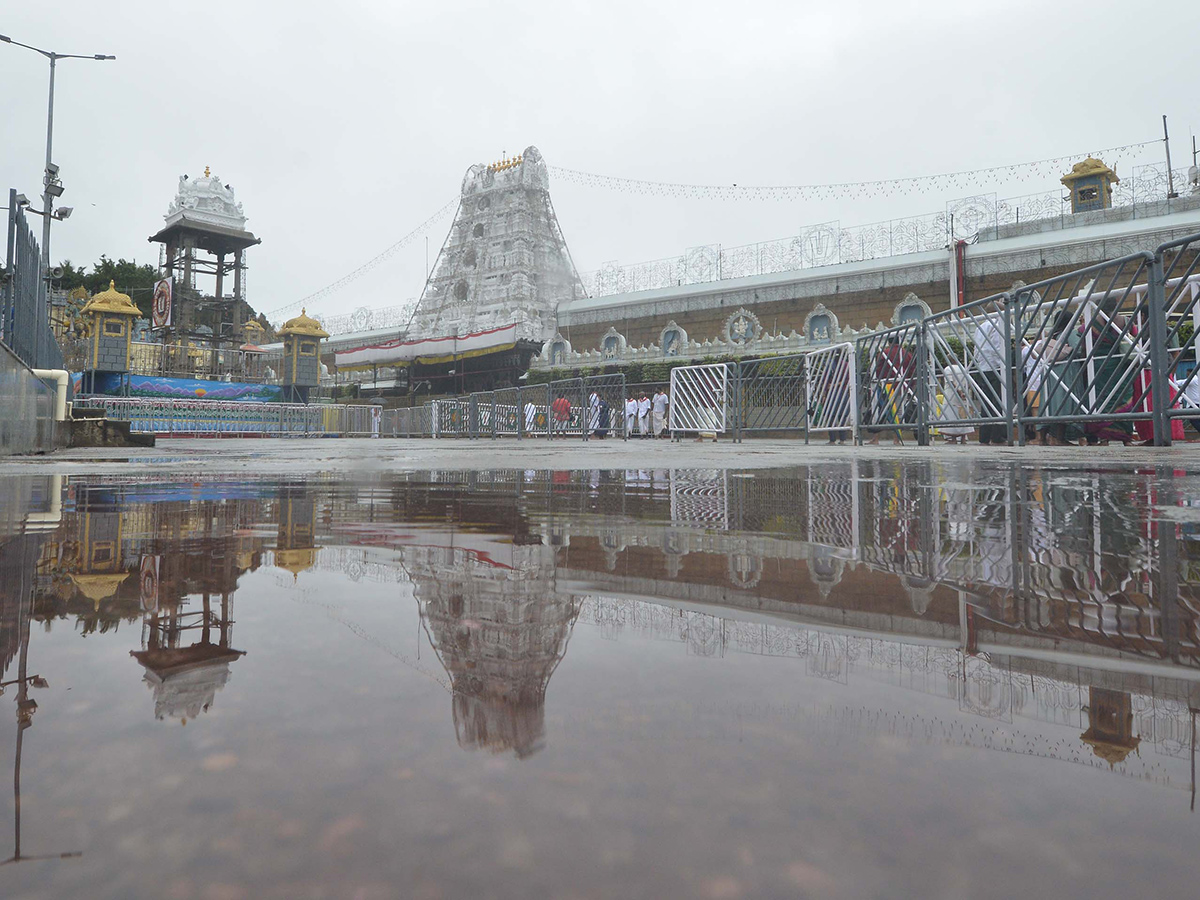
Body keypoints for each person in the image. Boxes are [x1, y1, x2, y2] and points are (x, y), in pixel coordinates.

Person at [973, 303, 1008, 445]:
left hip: (983, 367)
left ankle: (984, 436)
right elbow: (997, 347)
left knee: (986, 404)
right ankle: (998, 436)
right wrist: (1002, 365)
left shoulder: (979, 327)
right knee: (999, 403)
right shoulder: (998, 323)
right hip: (995, 367)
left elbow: (977, 348)